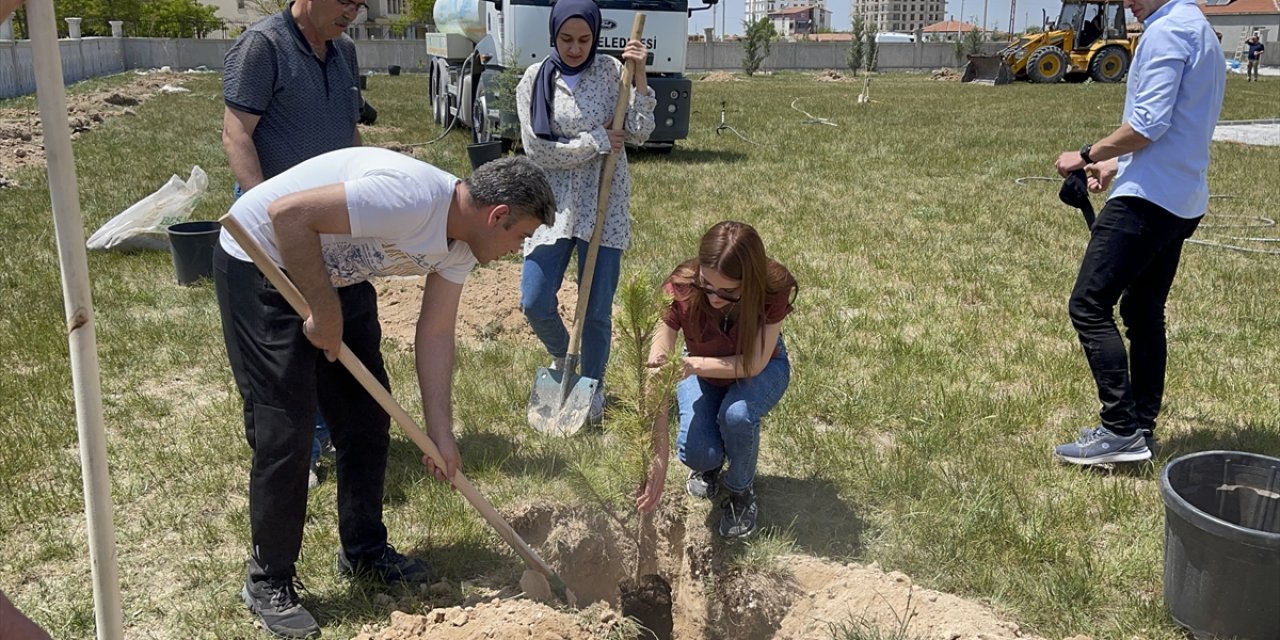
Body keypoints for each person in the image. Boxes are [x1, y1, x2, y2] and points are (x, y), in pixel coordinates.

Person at [215, 147, 555, 638]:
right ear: (497, 216)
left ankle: (365, 551)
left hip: (334, 269)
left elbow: (436, 333)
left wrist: (441, 434)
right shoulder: (410, 198)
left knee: (368, 420)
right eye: (521, 236)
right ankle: (269, 579)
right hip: (263, 259)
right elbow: (286, 215)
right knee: (285, 428)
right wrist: (325, 313)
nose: (517, 249)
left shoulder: (462, 244)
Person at [1052, 0, 1224, 466]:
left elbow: (1148, 124)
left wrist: (1087, 154)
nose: (1128, 0)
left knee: (1088, 304)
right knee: (1143, 308)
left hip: (1149, 199)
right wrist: (1114, 163)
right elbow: (1178, 126)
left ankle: (1119, 430)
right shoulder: (1198, 29)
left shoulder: (1167, 32)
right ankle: (1141, 427)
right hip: (1182, 197)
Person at [222, 0, 367, 488]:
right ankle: (292, 451)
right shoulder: (262, 47)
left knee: (328, 328)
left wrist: (362, 191)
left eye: (362, 4)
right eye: (347, 1)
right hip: (273, 225)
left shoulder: (344, 53)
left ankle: (322, 434)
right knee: (279, 345)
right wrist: (265, 213)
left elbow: (348, 132)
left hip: (328, 224)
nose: (354, 12)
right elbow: (236, 134)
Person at [516, 0, 657, 423]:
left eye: (584, 39)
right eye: (566, 39)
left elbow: (639, 132)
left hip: (605, 202)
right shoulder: (535, 80)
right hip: (551, 204)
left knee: (596, 309)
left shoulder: (613, 72)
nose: (576, 48)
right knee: (535, 298)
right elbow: (538, 150)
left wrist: (642, 77)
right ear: (553, 36)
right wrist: (596, 141)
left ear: (595, 36)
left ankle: (591, 386)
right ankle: (565, 358)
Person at [636, 221, 798, 539]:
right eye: (707, 285)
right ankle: (710, 463)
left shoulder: (772, 288)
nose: (713, 297)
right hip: (701, 370)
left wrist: (694, 364)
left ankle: (740, 491)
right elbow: (657, 371)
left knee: (736, 415)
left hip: (762, 368)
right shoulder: (681, 287)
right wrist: (658, 457)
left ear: (749, 282)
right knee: (697, 452)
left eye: (728, 292)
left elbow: (753, 364)